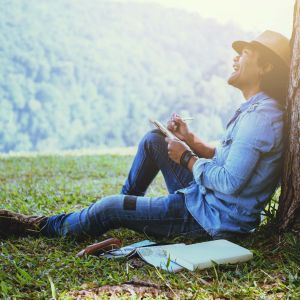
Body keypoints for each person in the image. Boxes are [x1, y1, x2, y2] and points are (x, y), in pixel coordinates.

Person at [0, 30, 291, 240]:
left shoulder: (260, 118)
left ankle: (40, 226)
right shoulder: (257, 110)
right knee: (155, 142)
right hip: (206, 199)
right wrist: (192, 141)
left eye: (244, 54)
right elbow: (233, 161)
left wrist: (187, 158)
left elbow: (230, 182)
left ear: (266, 66)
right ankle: (125, 210)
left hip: (210, 220)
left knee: (110, 207)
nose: (235, 59)